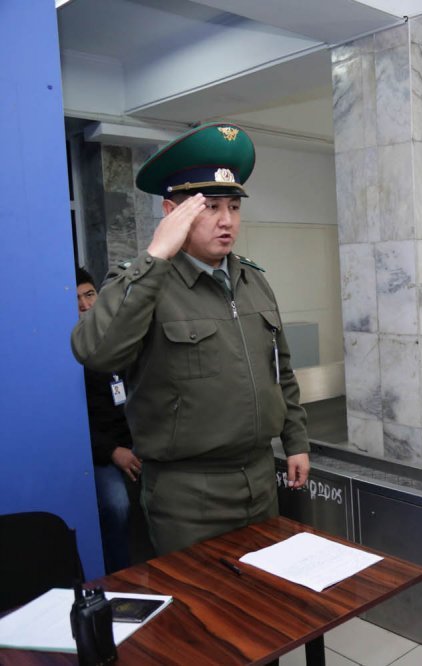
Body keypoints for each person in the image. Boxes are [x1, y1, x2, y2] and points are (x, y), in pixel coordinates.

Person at [72, 122, 310, 555]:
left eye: (233, 207)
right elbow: (95, 351)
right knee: (200, 597)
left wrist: (296, 442)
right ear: (171, 212)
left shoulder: (253, 281)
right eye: (210, 207)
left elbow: (281, 371)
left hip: (259, 478)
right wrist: (155, 256)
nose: (226, 220)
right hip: (187, 492)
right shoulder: (142, 282)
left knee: (260, 590)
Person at [76, 267, 141, 573]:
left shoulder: (119, 341)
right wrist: (113, 452)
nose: (85, 305)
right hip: (101, 452)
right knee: (117, 505)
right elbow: (77, 426)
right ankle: (121, 575)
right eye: (76, 299)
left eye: (90, 295)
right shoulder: (70, 355)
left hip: (136, 441)